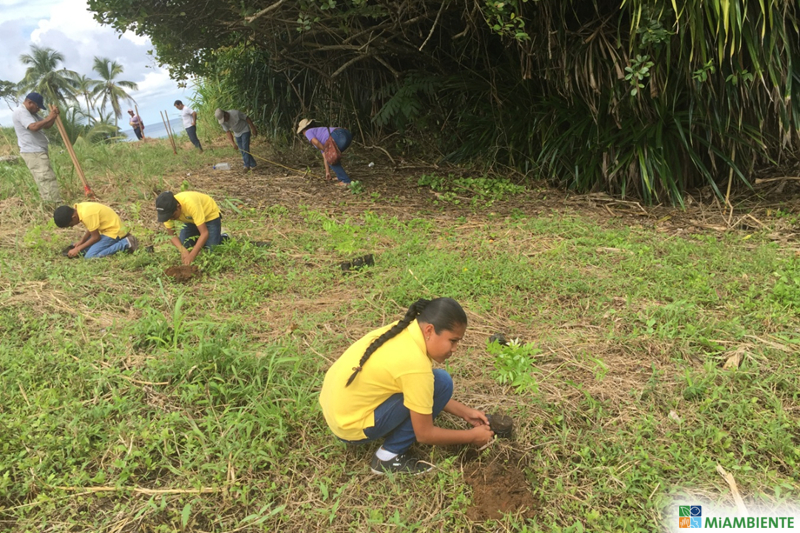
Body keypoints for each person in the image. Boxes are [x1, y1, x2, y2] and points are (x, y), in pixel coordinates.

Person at [319, 298, 494, 475]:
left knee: (439, 382)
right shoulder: (415, 366)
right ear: (429, 330)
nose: (455, 348)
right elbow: (424, 434)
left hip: (337, 413)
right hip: (350, 426)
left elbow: (419, 391)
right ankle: (387, 457)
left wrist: (465, 412)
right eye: (453, 341)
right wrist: (472, 436)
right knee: (442, 382)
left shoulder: (404, 331)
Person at [11, 92, 63, 203]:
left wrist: (53, 116)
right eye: (38, 106)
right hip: (33, 152)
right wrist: (50, 117)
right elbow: (33, 127)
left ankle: (51, 203)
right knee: (46, 178)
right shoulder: (21, 112)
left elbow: (47, 125)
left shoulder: (32, 114)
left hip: (38, 151)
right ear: (30, 103)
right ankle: (55, 205)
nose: (38, 109)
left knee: (45, 177)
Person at [155, 191, 226, 265]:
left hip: (209, 216)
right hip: (191, 220)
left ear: (178, 207)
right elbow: (172, 235)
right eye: (168, 217)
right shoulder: (167, 212)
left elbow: (204, 233)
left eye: (173, 216)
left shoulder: (191, 204)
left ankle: (223, 236)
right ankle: (202, 236)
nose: (171, 219)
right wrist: (182, 250)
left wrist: (191, 256)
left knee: (211, 249)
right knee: (185, 245)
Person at [53, 202, 139, 258]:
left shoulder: (87, 215)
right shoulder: (79, 209)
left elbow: (95, 237)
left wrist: (78, 249)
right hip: (105, 231)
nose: (72, 227)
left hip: (114, 232)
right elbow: (91, 228)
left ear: (73, 217)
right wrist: (81, 242)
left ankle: (126, 243)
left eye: (70, 225)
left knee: (90, 256)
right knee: (82, 251)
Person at [296, 119, 353, 186]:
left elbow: (316, 142)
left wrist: (326, 150)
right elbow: (325, 157)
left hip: (338, 135)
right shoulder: (321, 137)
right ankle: (340, 176)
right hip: (346, 134)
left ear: (303, 131)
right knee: (332, 156)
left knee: (330, 157)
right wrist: (327, 172)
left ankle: (346, 181)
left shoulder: (308, 132)